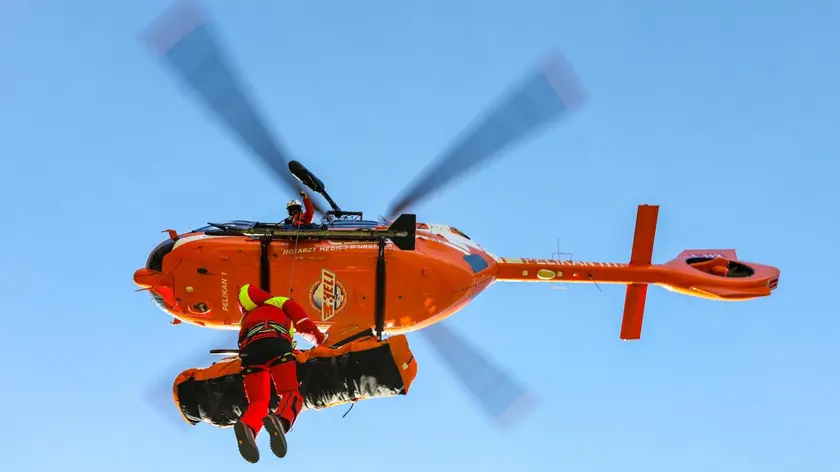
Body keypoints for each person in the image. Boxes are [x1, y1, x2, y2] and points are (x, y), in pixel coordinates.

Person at [233, 283, 327, 463]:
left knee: (258, 401)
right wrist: (320, 340)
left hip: (249, 353)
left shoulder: (245, 318)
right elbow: (303, 323)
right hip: (276, 344)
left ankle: (247, 426)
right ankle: (281, 420)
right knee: (291, 391)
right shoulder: (279, 302)